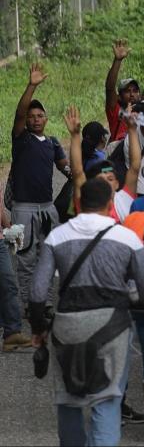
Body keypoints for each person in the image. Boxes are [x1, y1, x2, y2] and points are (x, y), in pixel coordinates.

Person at [29, 175, 144, 446]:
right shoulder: (126, 237)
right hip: (112, 326)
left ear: (78, 203)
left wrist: (39, 329)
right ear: (110, 203)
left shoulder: (57, 236)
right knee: (106, 400)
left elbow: (37, 292)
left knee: (69, 400)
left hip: (67, 327)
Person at [11, 62, 69, 315]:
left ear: (46, 119)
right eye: (31, 116)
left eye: (39, 116)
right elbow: (19, 115)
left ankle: (43, 301)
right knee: (24, 259)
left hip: (47, 209)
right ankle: (27, 303)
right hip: (23, 208)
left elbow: (66, 168)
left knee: (47, 255)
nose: (34, 119)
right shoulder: (21, 139)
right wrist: (31, 86)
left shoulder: (53, 143)